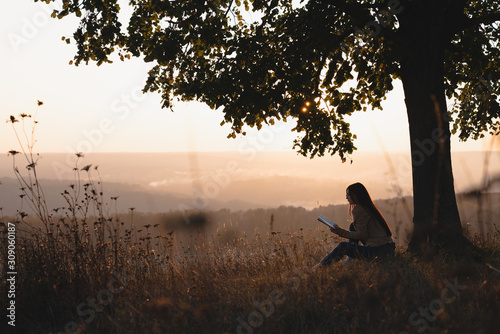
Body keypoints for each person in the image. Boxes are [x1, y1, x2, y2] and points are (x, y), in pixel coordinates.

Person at [314, 182, 395, 268]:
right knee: (353, 226)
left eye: (349, 195)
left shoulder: (359, 209)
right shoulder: (368, 207)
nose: (346, 197)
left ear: (356, 195)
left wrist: (340, 232)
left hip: (379, 252)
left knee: (343, 246)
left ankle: (320, 267)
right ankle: (350, 259)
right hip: (388, 249)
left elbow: (362, 235)